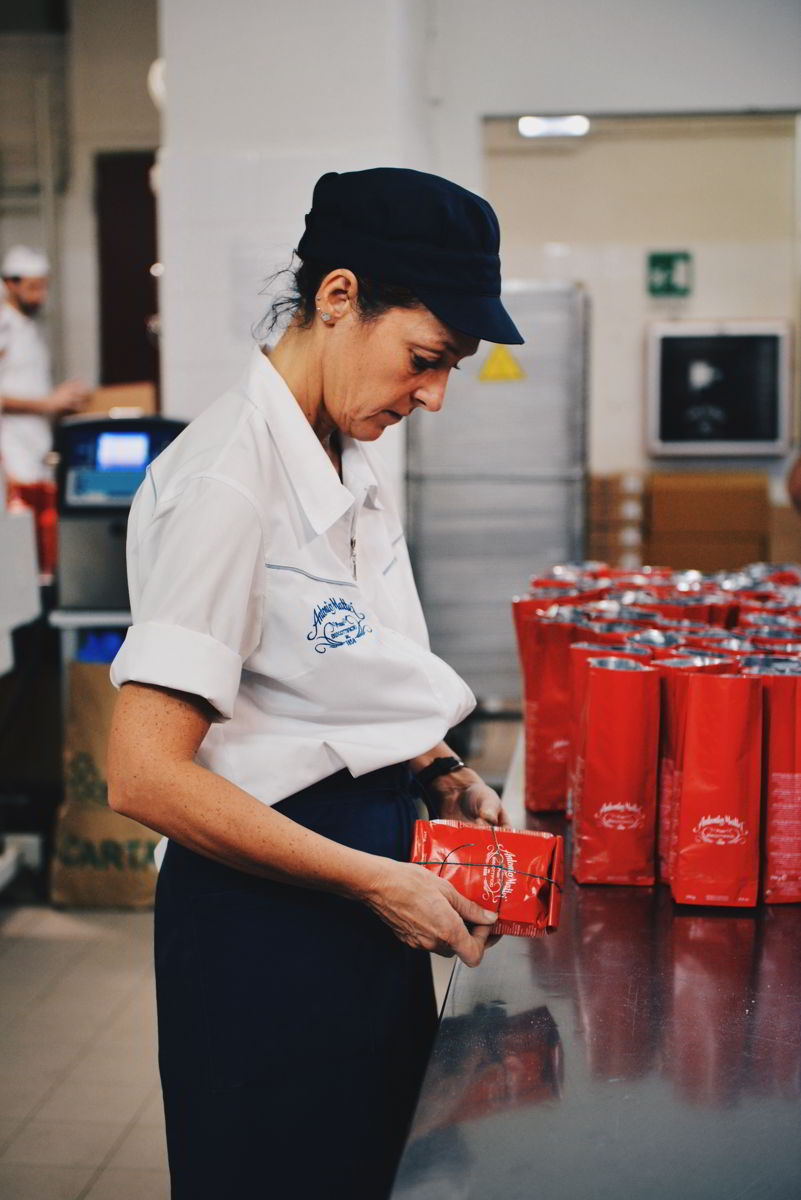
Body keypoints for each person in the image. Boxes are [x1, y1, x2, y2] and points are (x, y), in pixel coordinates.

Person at [106, 166, 525, 1200]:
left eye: (452, 369)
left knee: (367, 1167)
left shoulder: (346, 454)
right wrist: (373, 881)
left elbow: (329, 668)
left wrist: (436, 770)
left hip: (361, 891)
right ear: (338, 297)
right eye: (425, 360)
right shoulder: (226, 484)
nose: (431, 395)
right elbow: (145, 777)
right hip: (266, 920)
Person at [1, 245, 88, 572]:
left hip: (36, 451)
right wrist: (47, 403)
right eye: (32, 288)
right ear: (10, 284)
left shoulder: (29, 328)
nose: (40, 296)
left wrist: (61, 400)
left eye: (44, 286)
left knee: (44, 549)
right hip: (12, 458)